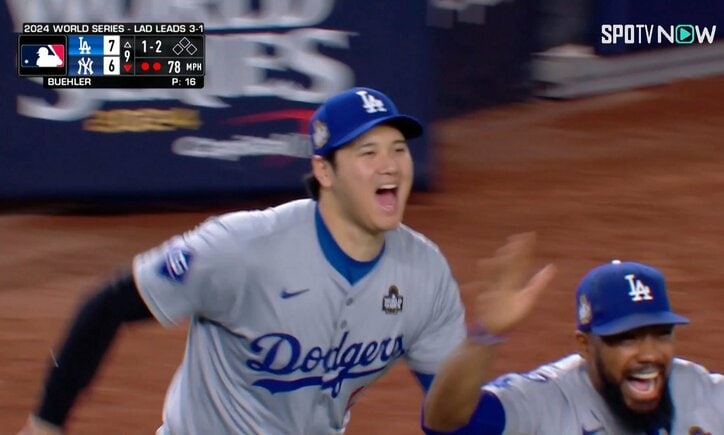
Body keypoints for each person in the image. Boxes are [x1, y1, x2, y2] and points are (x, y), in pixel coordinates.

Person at [18, 87, 555, 435]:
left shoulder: (423, 271)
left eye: (398, 149)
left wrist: (486, 336)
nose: (390, 165)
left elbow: (448, 419)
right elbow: (109, 303)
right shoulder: (244, 248)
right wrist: (46, 422)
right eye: (367, 153)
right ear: (324, 171)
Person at [423, 259, 724, 434]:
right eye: (626, 338)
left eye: (661, 334)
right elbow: (444, 422)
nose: (649, 354)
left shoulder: (697, 390)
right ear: (585, 345)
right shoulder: (548, 401)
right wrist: (485, 335)